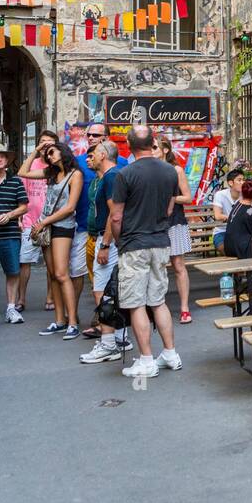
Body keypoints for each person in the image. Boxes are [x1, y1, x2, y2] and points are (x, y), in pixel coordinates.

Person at [110, 125, 183, 378]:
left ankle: (146, 360)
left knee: (136, 303)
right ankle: (170, 353)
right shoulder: (170, 171)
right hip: (160, 240)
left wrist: (120, 242)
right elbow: (169, 209)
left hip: (134, 243)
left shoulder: (125, 174)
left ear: (128, 146)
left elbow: (116, 217)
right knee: (158, 300)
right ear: (153, 142)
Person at [20, 141, 84, 338]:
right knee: (53, 275)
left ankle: (72, 321)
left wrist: (43, 221)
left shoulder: (76, 174)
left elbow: (70, 207)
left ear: (62, 151)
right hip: (47, 226)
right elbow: (23, 172)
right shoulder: (51, 173)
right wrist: (36, 151)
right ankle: (59, 320)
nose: (49, 156)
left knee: (62, 273)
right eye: (47, 155)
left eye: (52, 152)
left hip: (62, 226)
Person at [79, 140, 132, 363]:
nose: (90, 156)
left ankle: (110, 343)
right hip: (105, 238)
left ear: (103, 154)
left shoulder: (111, 176)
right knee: (110, 289)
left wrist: (105, 244)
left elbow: (114, 213)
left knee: (103, 290)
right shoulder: (109, 176)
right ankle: (118, 338)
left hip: (107, 239)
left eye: (95, 153)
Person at [76, 122, 128, 283]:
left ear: (106, 138)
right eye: (89, 134)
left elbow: (118, 206)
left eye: (96, 135)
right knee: (83, 273)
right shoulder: (79, 161)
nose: (91, 138)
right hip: (84, 225)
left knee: (109, 278)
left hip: (110, 229)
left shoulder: (121, 164)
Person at [0, 143, 29, 322]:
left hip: (10, 235)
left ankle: (11, 307)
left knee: (13, 271)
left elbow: (24, 206)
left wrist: (10, 215)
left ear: (7, 160)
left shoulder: (15, 181)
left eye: (3, 156)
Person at [18, 130, 57, 313]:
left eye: (50, 142)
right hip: (30, 219)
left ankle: (50, 297)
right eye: (43, 142)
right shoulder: (32, 164)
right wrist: (21, 216)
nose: (46, 145)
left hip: (50, 221)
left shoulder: (57, 167)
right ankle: (21, 298)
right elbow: (22, 186)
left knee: (51, 264)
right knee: (25, 261)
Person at [159, 137, 195, 324]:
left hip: (174, 222)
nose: (152, 150)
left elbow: (188, 197)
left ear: (165, 150)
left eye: (155, 147)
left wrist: (170, 197)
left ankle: (184, 308)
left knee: (178, 265)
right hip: (155, 223)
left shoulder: (176, 169)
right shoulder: (151, 169)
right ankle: (158, 308)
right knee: (156, 267)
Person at [212, 168, 245, 254]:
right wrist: (237, 218)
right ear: (231, 183)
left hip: (240, 232)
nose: (243, 182)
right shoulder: (220, 195)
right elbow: (218, 216)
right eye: (239, 180)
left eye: (243, 180)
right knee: (227, 249)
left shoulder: (245, 195)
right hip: (222, 232)